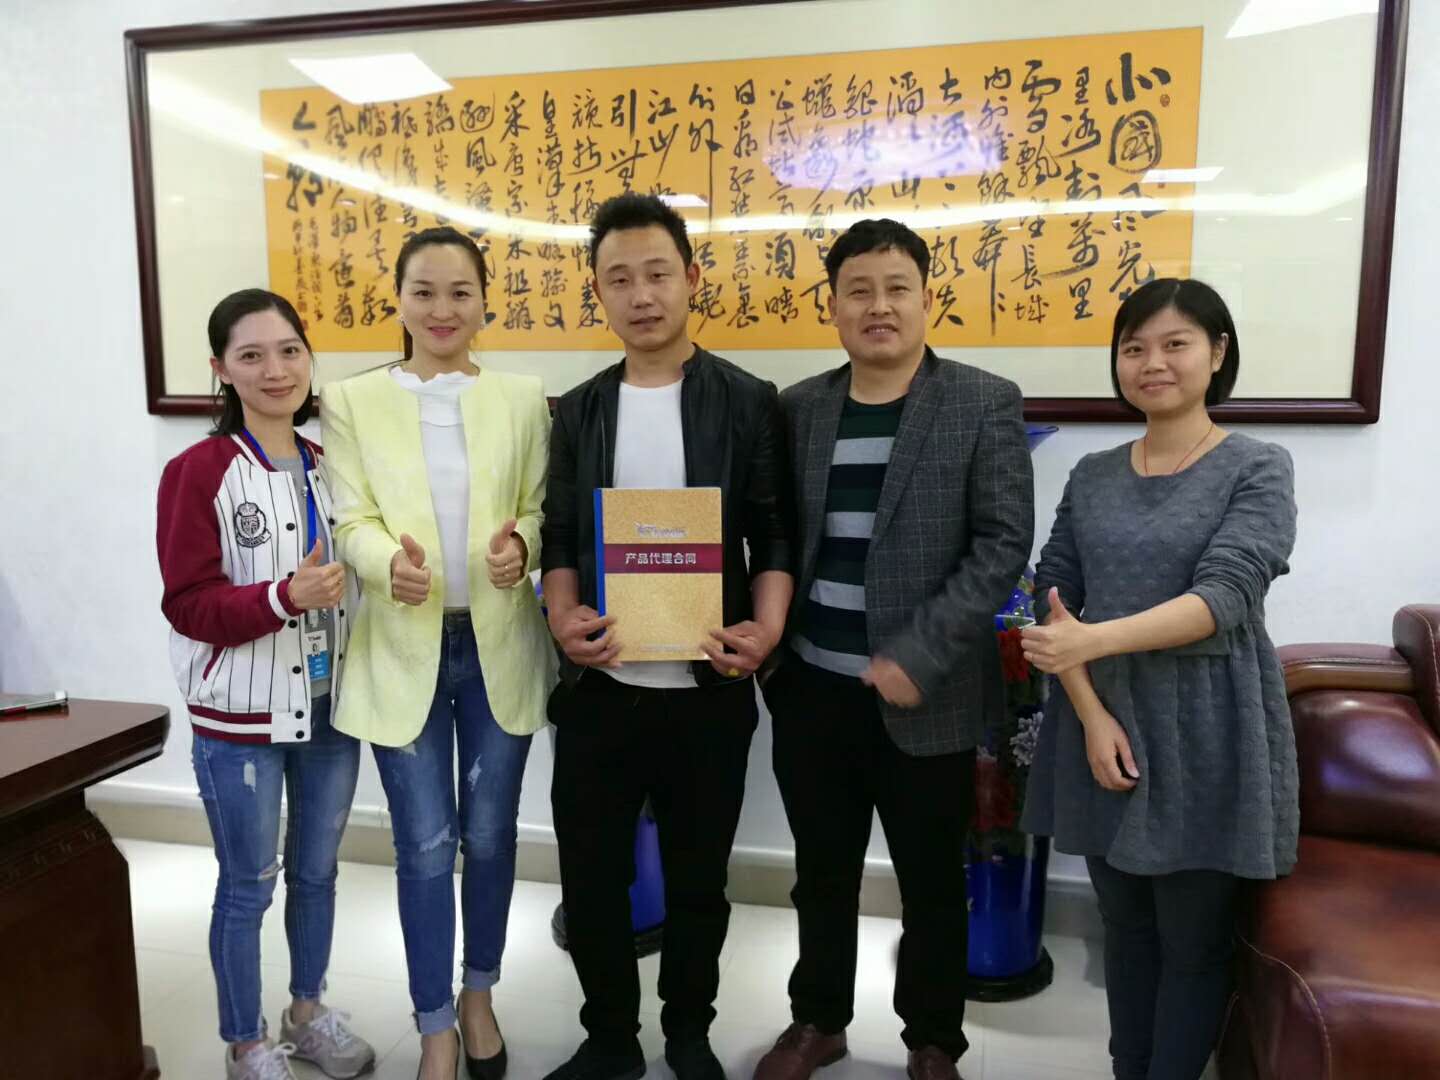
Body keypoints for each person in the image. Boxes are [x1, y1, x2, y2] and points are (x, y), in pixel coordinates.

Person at [753, 218, 1033, 1080]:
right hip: (813, 689)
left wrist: (921, 652)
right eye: (859, 291)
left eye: (896, 288)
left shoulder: (982, 401)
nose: (879, 306)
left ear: (926, 298)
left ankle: (933, 1040)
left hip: (929, 694)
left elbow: (1001, 544)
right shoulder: (799, 408)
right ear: (832, 306)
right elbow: (774, 534)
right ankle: (818, 1021)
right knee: (821, 874)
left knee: (932, 885)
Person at [539, 192, 794, 1080]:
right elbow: (559, 539)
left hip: (708, 692)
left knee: (698, 883)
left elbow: (773, 534)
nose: (641, 295)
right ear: (598, 294)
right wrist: (561, 618)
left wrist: (766, 630)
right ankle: (610, 1038)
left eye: (657, 274)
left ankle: (688, 1034)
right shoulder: (578, 411)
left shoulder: (748, 401)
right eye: (619, 279)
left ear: (691, 278)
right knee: (591, 880)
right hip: (601, 691)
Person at [1020, 277, 1298, 1080]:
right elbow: (1054, 593)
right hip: (1100, 716)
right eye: (1134, 347)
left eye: (1176, 344)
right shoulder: (1093, 473)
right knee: (1125, 926)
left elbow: (1225, 596)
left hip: (1209, 722)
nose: (1153, 362)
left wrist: (1092, 641)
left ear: (1217, 352)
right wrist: (1089, 711)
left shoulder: (1257, 466)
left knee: (1192, 939)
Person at [320, 226, 555, 1080]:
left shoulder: (523, 398)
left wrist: (522, 547)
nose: (442, 309)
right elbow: (351, 518)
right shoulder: (351, 401)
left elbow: (539, 506)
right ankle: (433, 1028)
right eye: (424, 291)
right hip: (402, 647)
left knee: (489, 837)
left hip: (500, 648)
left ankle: (479, 996)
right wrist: (386, 563)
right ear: (399, 300)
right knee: (424, 845)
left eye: (461, 292)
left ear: (486, 302)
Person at [157, 289, 376, 1080]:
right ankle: (246, 1043)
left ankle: (306, 1013)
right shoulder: (199, 472)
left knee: (317, 874)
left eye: (289, 350)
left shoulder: (330, 467)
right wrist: (283, 596)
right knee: (249, 884)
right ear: (220, 369)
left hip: (331, 711)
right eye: (250, 355)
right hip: (239, 721)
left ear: (309, 358)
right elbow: (187, 603)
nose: (275, 370)